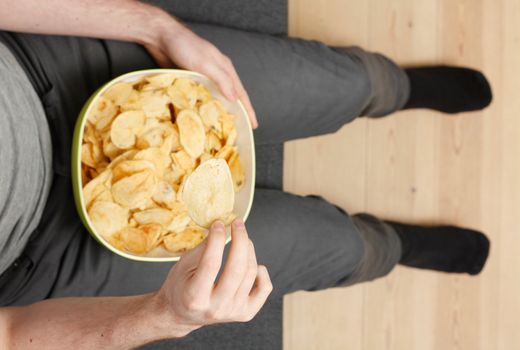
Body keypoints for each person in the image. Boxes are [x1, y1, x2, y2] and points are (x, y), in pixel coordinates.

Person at [0, 0, 492, 348]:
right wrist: (165, 316)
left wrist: (155, 27)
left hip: (47, 70)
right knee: (325, 247)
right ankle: (389, 247)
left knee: (334, 84)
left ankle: (393, 88)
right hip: (45, 253)